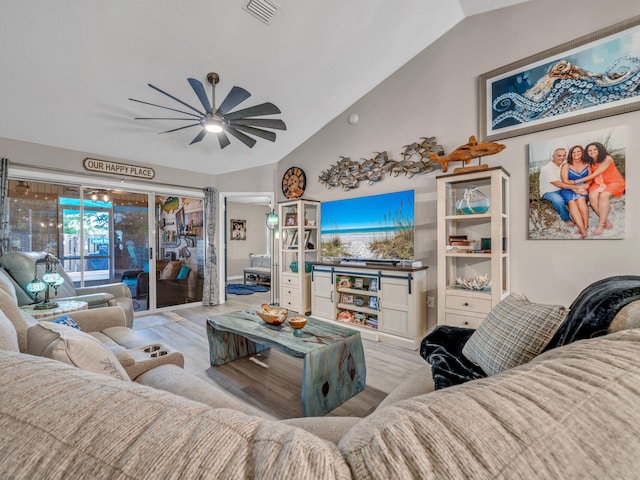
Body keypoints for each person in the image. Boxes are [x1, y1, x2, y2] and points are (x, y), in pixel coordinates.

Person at [578, 142, 626, 236]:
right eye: (590, 150)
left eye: (595, 149)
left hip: (613, 181)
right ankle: (605, 221)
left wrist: (577, 181)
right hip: (598, 183)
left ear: (600, 149)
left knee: (604, 195)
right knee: (592, 196)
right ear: (587, 152)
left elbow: (595, 174)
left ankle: (601, 224)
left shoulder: (607, 158)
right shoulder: (589, 162)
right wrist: (580, 186)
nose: (592, 152)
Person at [538, 147, 575, 228]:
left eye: (564, 155)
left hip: (562, 189)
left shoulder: (564, 164)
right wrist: (574, 186)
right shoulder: (547, 168)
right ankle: (566, 219)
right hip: (549, 191)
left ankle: (577, 214)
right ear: (553, 156)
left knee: (577, 195)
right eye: (559, 156)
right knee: (558, 200)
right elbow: (557, 184)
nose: (562, 158)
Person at [560, 145, 591, 238]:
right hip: (568, 188)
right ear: (571, 154)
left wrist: (585, 186)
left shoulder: (587, 164)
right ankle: (582, 229)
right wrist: (575, 188)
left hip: (583, 187)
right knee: (572, 203)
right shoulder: (566, 165)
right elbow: (564, 180)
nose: (576, 154)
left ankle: (586, 225)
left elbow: (590, 178)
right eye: (574, 152)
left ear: (582, 153)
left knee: (581, 200)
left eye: (578, 151)